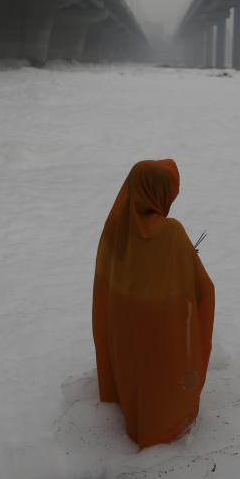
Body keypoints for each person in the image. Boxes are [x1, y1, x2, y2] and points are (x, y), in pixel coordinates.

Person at [93, 159, 215, 449]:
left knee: (135, 375)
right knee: (158, 389)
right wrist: (186, 259)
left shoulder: (115, 228)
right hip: (160, 334)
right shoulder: (171, 233)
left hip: (124, 335)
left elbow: (108, 284)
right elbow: (202, 290)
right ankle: (159, 432)